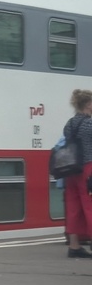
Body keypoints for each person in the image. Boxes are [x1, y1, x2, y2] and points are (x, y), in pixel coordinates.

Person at [61, 89, 92, 259]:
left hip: (71, 169)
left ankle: (74, 246)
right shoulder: (90, 124)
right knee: (90, 205)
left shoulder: (70, 123)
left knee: (73, 207)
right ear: (88, 104)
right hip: (88, 168)